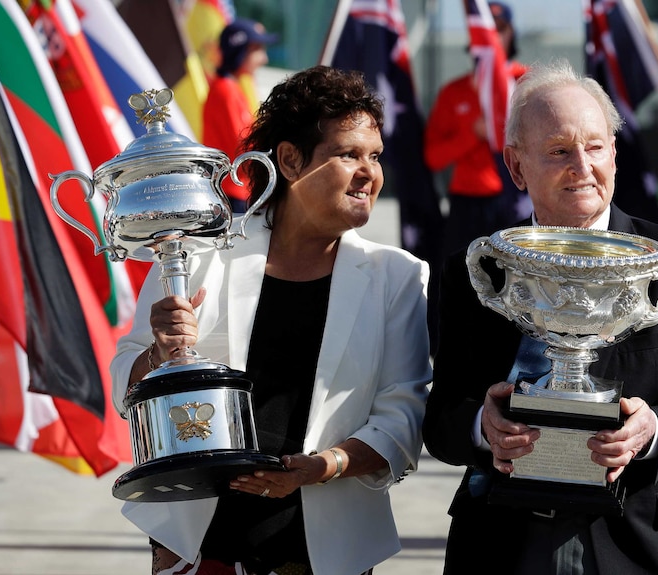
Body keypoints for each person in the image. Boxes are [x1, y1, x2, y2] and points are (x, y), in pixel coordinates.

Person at [111, 65, 432, 575]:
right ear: (289, 159)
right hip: (199, 543)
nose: (368, 172)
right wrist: (158, 353)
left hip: (323, 552)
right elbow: (125, 392)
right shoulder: (193, 253)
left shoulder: (398, 276)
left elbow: (403, 417)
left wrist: (325, 467)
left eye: (375, 156)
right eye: (348, 154)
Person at [423, 59, 658, 574]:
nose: (582, 166)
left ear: (615, 152)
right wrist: (484, 425)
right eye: (559, 151)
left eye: (594, 146)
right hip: (501, 543)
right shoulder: (476, 269)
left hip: (643, 543)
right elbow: (443, 415)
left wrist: (650, 430)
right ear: (516, 165)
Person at [424, 1, 527, 257]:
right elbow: (433, 157)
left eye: (499, 28)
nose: (491, 36)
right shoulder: (453, 92)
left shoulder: (529, 84)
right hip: (467, 202)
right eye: (485, 29)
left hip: (518, 196)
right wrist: (473, 133)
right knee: (459, 281)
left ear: (511, 33)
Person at [203, 18, 277, 213]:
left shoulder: (231, 87)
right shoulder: (225, 90)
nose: (264, 59)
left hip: (237, 190)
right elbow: (243, 150)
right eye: (258, 49)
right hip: (232, 193)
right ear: (241, 51)